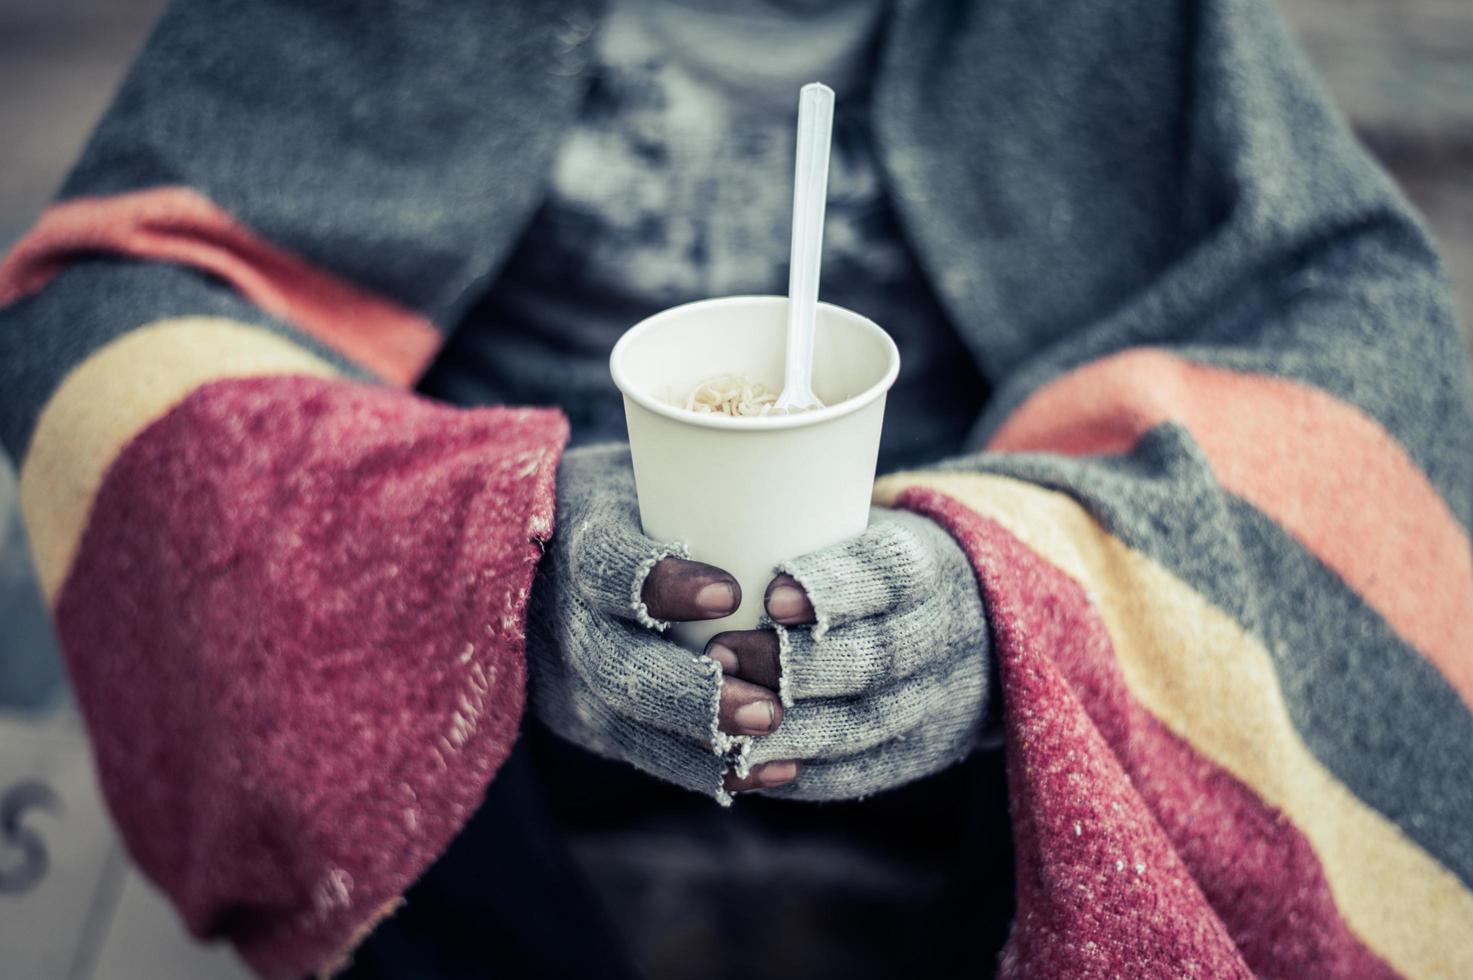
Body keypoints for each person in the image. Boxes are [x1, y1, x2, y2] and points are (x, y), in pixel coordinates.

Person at [2, 0, 1470, 977]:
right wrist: (469, 550)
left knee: (1131, 672)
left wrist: (1030, 590)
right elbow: (112, 314)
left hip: (962, 742)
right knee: (302, 580)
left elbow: (1360, 359)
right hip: (482, 755)